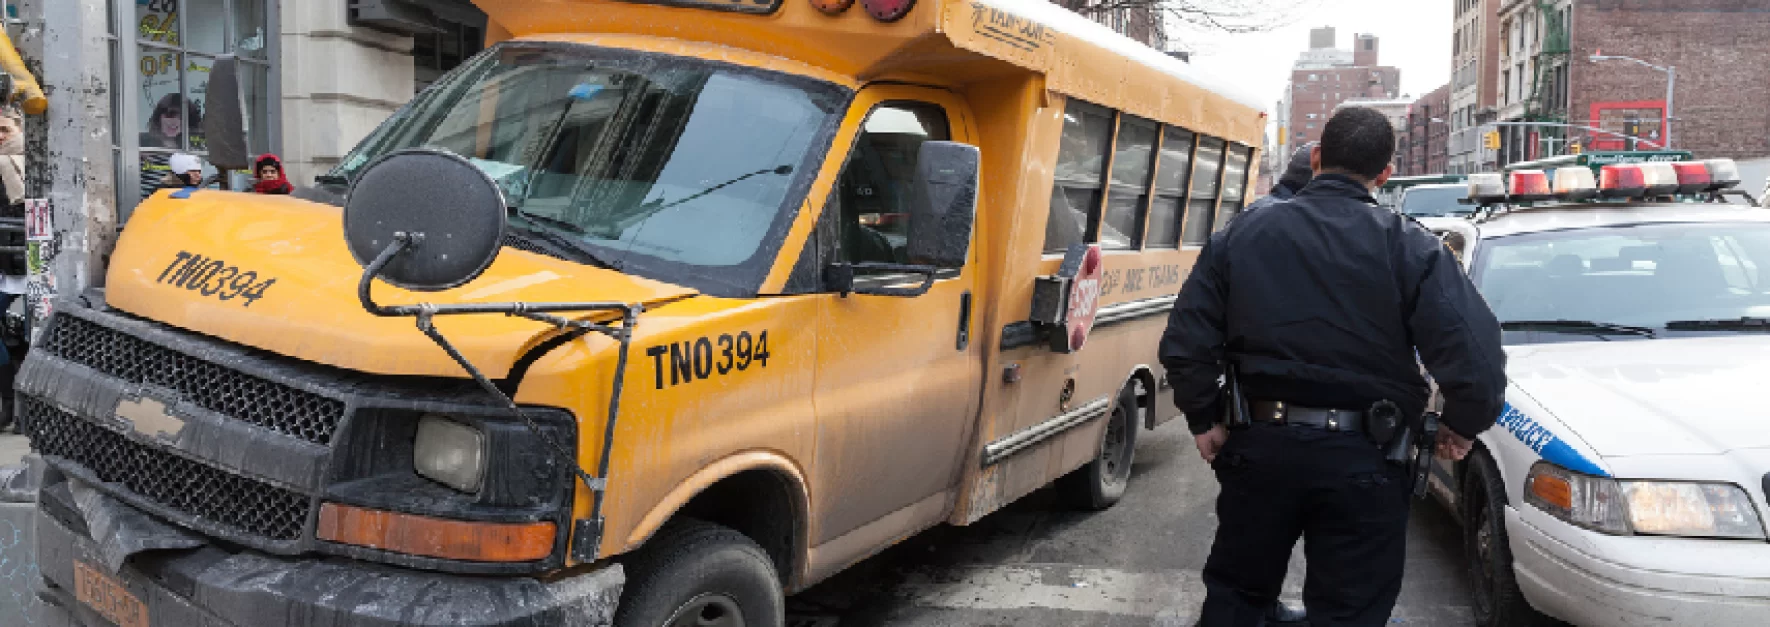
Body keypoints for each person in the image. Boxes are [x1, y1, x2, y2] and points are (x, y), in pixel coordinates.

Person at [1160, 106, 1506, 627]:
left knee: (1237, 600)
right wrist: (1461, 424)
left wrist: (1203, 418)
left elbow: (1186, 338)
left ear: (1317, 157)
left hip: (1261, 451)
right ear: (1385, 172)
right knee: (1349, 612)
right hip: (1366, 462)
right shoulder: (1411, 248)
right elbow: (1475, 357)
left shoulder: (1244, 233)